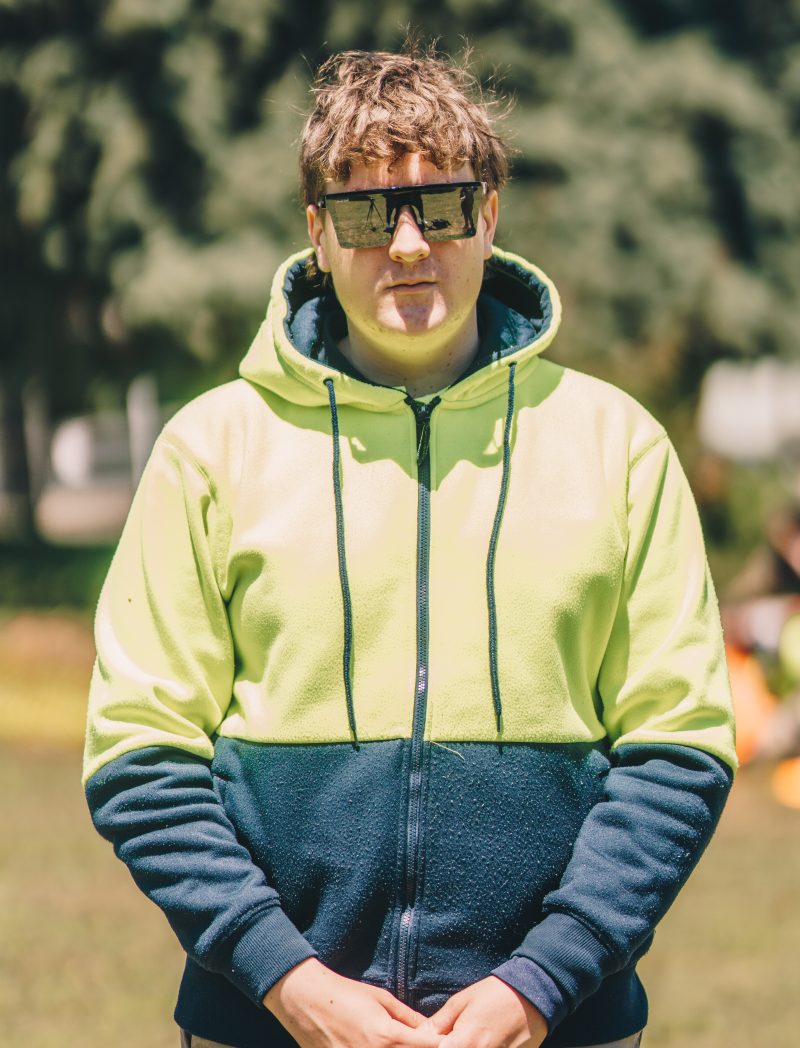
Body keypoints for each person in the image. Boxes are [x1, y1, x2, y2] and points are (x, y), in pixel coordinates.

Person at [83, 46, 737, 1048]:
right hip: (267, 1024)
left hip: (561, 1024)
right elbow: (140, 753)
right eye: (364, 213)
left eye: (439, 206)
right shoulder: (211, 448)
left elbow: (678, 750)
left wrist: (539, 984)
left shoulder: (618, 446)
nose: (405, 245)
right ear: (317, 231)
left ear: (489, 215)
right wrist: (290, 982)